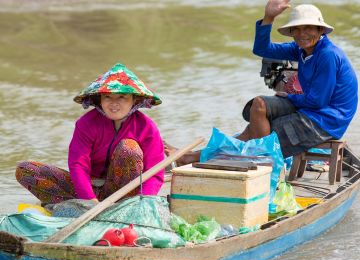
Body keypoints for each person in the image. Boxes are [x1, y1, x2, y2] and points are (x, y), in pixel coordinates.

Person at [165, 0, 358, 163]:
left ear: (320, 29)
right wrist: (269, 18)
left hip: (326, 120)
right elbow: (261, 49)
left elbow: (318, 101)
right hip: (310, 108)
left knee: (253, 134)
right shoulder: (301, 49)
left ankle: (195, 157)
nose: (302, 34)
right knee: (259, 106)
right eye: (296, 29)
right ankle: (194, 157)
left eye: (307, 27)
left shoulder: (328, 55)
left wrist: (289, 96)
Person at [16, 63, 165, 204]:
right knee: (25, 169)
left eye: (122, 97)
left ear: (135, 100)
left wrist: (143, 201)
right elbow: (78, 164)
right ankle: (81, 206)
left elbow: (155, 173)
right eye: (107, 97)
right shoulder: (86, 123)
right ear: (99, 99)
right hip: (89, 191)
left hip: (124, 193)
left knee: (129, 148)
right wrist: (89, 199)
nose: (114, 103)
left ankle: (123, 206)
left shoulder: (147, 128)